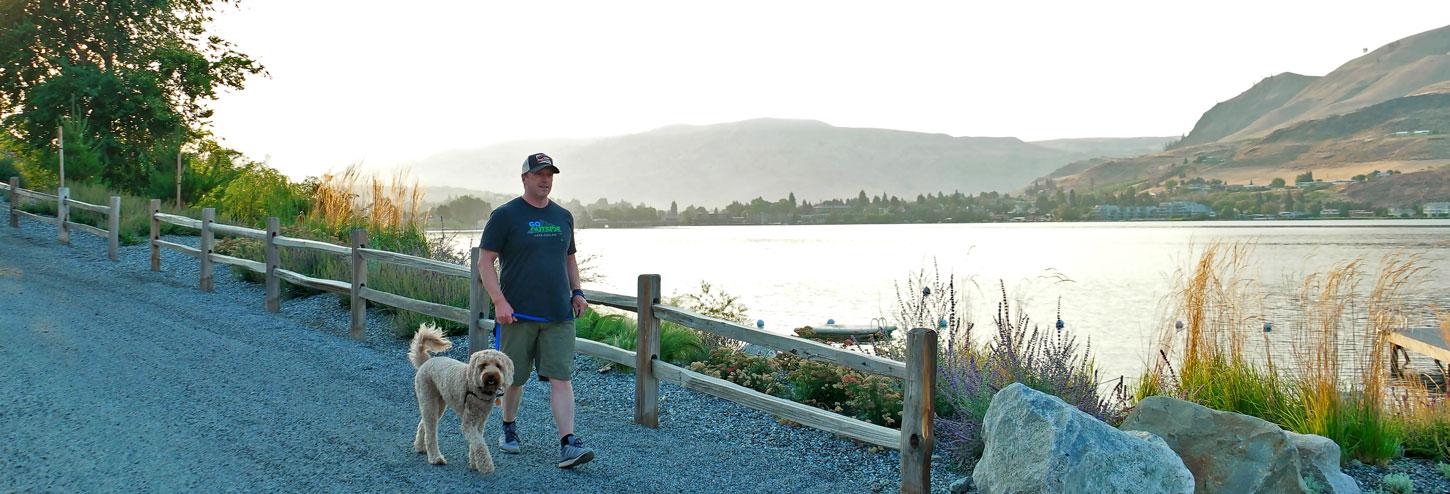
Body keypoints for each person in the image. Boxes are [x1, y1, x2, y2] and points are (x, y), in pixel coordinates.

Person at [478, 152, 594, 469]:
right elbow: (485, 262)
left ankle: (568, 443)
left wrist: (578, 292)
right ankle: (508, 427)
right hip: (518, 315)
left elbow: (569, 259)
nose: (546, 179)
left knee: (561, 377)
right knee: (514, 378)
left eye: (550, 174)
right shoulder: (505, 216)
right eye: (540, 174)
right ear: (525, 178)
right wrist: (499, 301)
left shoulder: (563, 217)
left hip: (559, 314)